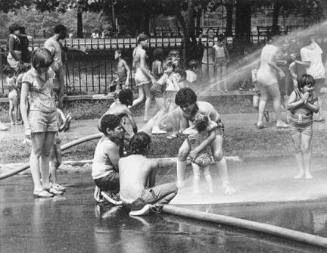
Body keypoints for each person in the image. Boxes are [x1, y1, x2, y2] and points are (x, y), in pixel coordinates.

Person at [174, 88, 235, 194]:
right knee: (182, 152)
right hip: (196, 130)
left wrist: (197, 150)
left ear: (193, 102)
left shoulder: (203, 110)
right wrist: (186, 136)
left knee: (217, 153)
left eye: (187, 105)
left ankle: (226, 185)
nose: (184, 108)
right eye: (181, 106)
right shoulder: (182, 111)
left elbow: (210, 136)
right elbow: (185, 130)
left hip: (214, 128)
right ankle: (180, 184)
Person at [20, 48, 58, 198]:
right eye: (43, 65)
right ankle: (37, 187)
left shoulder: (49, 72)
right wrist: (26, 126)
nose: (46, 68)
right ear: (36, 63)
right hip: (37, 116)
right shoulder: (28, 76)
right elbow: (23, 103)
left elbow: (51, 94)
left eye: (48, 65)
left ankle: (46, 184)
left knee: (47, 152)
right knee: (36, 152)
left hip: (51, 114)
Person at [119, 132, 178, 216]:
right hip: (138, 201)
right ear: (147, 147)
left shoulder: (121, 161)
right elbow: (151, 186)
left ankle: (145, 206)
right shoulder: (151, 163)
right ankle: (155, 206)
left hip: (124, 200)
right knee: (175, 187)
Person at [287, 74, 319, 179]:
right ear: (301, 87)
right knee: (297, 147)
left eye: (312, 85)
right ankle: (301, 171)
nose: (312, 88)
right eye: (309, 86)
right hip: (294, 124)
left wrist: (307, 104)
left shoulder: (313, 94)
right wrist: (301, 101)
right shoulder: (295, 93)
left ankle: (307, 171)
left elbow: (316, 109)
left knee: (306, 147)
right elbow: (288, 106)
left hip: (307, 125)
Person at [256, 34, 289, 129]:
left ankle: (259, 122)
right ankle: (279, 121)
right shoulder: (274, 48)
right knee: (277, 97)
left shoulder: (264, 48)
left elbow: (266, 61)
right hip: (268, 76)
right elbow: (270, 62)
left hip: (260, 75)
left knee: (263, 97)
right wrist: (280, 70)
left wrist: (279, 63)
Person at [92, 114, 125, 205]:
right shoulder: (110, 145)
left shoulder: (104, 139)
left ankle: (108, 190)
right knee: (131, 175)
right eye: (119, 128)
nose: (122, 130)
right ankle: (111, 193)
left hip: (99, 177)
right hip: (105, 178)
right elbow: (119, 167)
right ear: (109, 130)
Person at [183, 113, 216, 194]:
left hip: (196, 158)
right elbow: (214, 124)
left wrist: (192, 126)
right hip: (206, 157)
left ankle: (196, 191)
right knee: (207, 174)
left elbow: (184, 131)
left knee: (196, 175)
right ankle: (211, 190)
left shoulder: (191, 132)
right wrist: (208, 121)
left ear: (195, 123)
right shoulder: (206, 131)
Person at [299, 35, 325, 122]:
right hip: (321, 74)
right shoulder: (316, 46)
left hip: (312, 75)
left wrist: (296, 61)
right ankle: (319, 116)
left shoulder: (303, 50)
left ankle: (304, 115)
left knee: (308, 95)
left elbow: (307, 64)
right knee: (316, 95)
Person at [132, 33, 155, 122]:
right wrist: (151, 77)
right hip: (142, 75)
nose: (147, 43)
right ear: (141, 41)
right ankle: (146, 117)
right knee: (149, 96)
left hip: (137, 75)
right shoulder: (142, 51)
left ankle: (126, 108)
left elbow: (134, 64)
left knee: (141, 97)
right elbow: (142, 66)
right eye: (146, 41)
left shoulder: (134, 50)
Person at [44, 24, 68, 109]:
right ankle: (52, 109)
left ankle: (60, 107)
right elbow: (47, 57)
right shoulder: (49, 42)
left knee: (61, 89)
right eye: (64, 33)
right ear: (60, 32)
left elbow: (60, 53)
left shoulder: (59, 42)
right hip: (52, 70)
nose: (65, 35)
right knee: (53, 89)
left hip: (59, 68)